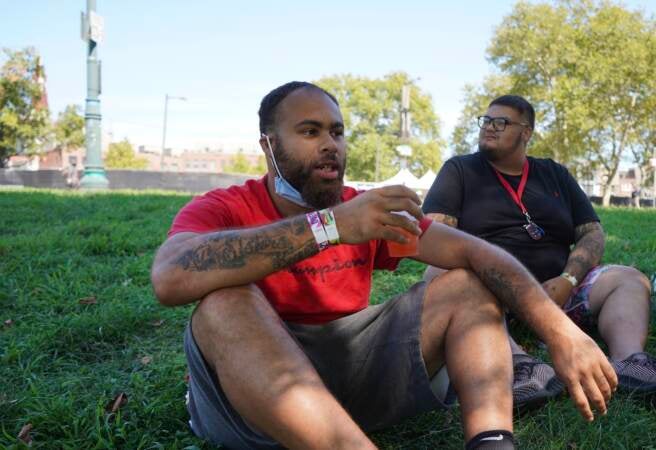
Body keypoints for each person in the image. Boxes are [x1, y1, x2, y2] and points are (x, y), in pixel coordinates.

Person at [151, 83, 616, 450]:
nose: (330, 144)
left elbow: (479, 253)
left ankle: (492, 442)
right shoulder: (226, 206)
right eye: (310, 132)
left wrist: (561, 332)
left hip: (348, 384)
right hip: (248, 405)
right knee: (224, 300)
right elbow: (170, 278)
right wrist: (328, 227)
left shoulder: (363, 210)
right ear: (269, 145)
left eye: (337, 131)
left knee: (466, 284)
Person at [422, 94, 654, 410]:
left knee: (628, 279)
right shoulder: (460, 170)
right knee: (439, 272)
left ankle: (629, 363)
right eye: (486, 120)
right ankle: (520, 366)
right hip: (486, 292)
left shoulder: (554, 173)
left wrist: (569, 279)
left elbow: (592, 233)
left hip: (557, 290)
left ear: (526, 132)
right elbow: (434, 234)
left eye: (501, 122)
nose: (489, 127)